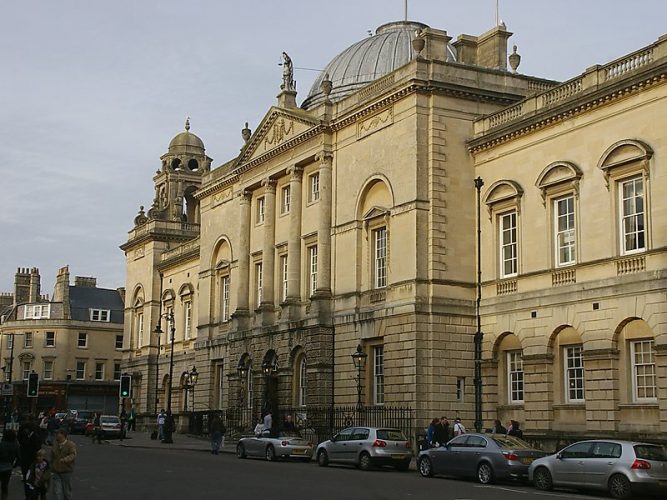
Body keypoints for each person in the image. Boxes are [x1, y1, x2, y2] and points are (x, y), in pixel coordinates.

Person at [17, 418, 42, 497]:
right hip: (28, 460)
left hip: (30, 460)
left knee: (30, 479)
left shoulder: (34, 437)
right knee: (28, 479)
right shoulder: (27, 436)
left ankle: (31, 495)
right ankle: (30, 495)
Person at [50, 429, 76, 500]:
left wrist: (65, 460)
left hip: (66, 471)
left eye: (58, 434)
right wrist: (51, 466)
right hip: (56, 471)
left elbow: (72, 455)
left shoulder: (70, 444)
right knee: (56, 492)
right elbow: (52, 457)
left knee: (67, 492)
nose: (56, 436)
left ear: (63, 435)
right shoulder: (55, 445)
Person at [0, 428, 19, 500]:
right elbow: (19, 457)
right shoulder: (15, 445)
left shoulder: (2, 444)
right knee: (5, 486)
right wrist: (15, 465)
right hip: (8, 467)